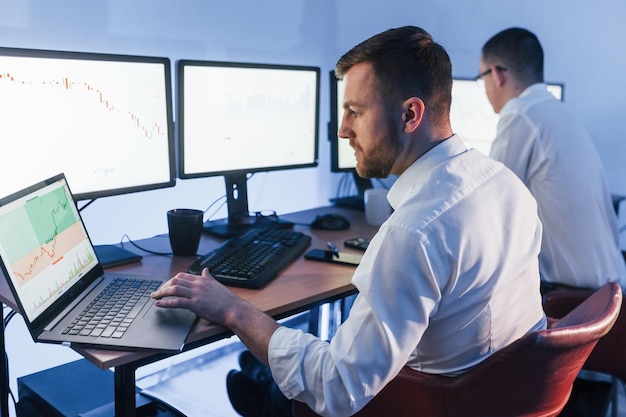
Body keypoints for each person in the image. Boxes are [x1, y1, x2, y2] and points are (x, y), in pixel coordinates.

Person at [151, 26, 546, 417]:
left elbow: (337, 389)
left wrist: (233, 310)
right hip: (499, 391)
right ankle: (266, 377)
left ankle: (268, 390)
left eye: (355, 112)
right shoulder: (506, 184)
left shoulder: (414, 233)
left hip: (427, 402)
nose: (342, 130)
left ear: (410, 114)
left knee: (294, 379)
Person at [478, 27, 626, 291]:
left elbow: (491, 207)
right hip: (612, 288)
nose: (485, 89)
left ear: (497, 74)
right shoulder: (563, 112)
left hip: (572, 297)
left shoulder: (520, 114)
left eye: (482, 78)